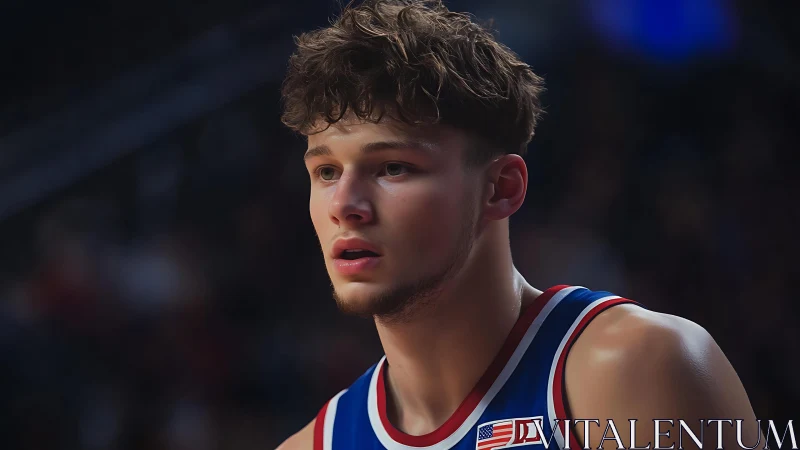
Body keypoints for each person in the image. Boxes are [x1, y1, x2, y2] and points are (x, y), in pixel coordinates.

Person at [276, 1, 762, 449]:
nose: (345, 204)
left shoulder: (638, 370)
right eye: (327, 172)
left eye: (393, 168)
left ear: (501, 188)